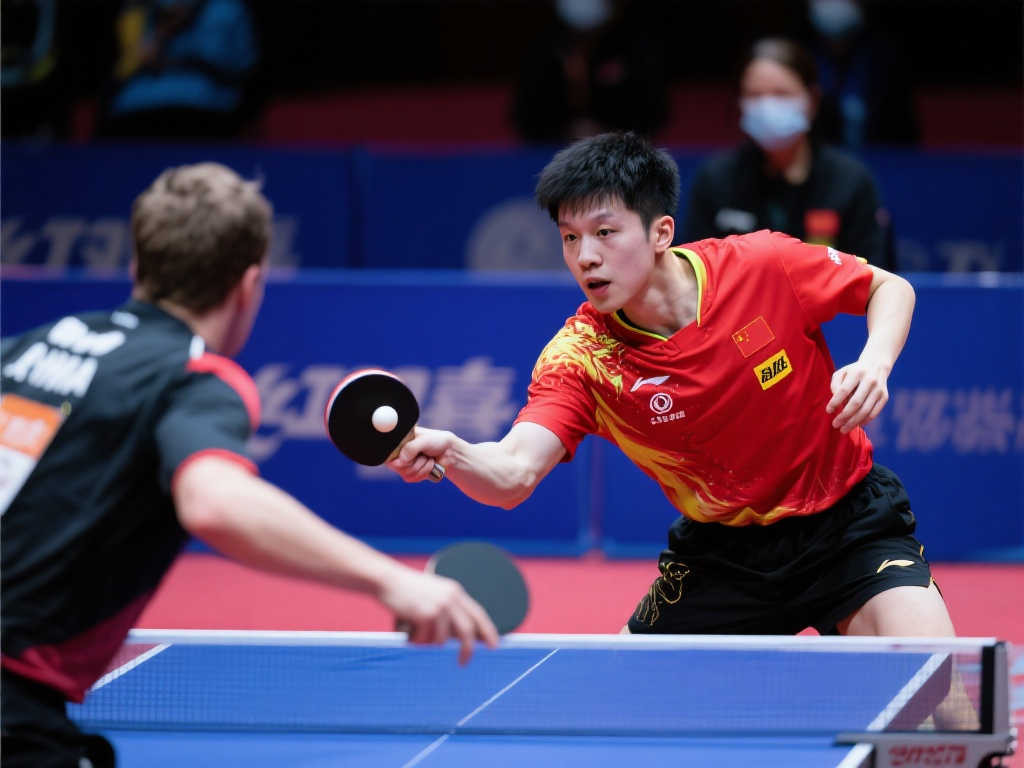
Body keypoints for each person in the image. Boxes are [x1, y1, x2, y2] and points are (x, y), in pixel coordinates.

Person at [0, 163, 498, 768]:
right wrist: (393, 580)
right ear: (248, 284)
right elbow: (215, 501)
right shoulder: (191, 378)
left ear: (137, 267)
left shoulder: (26, 348)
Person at [390, 129, 964, 641]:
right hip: (725, 556)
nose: (586, 257)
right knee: (623, 707)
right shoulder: (584, 359)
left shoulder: (761, 264)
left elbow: (888, 287)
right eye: (569, 238)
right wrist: (455, 452)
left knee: (941, 695)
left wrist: (874, 363)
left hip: (848, 526)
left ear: (661, 231)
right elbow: (514, 473)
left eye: (605, 232)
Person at [683, 37, 895, 271]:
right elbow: (693, 274)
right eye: (754, 95)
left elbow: (874, 275)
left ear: (812, 100)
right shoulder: (715, 179)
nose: (767, 107)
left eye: (781, 94)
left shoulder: (850, 181)